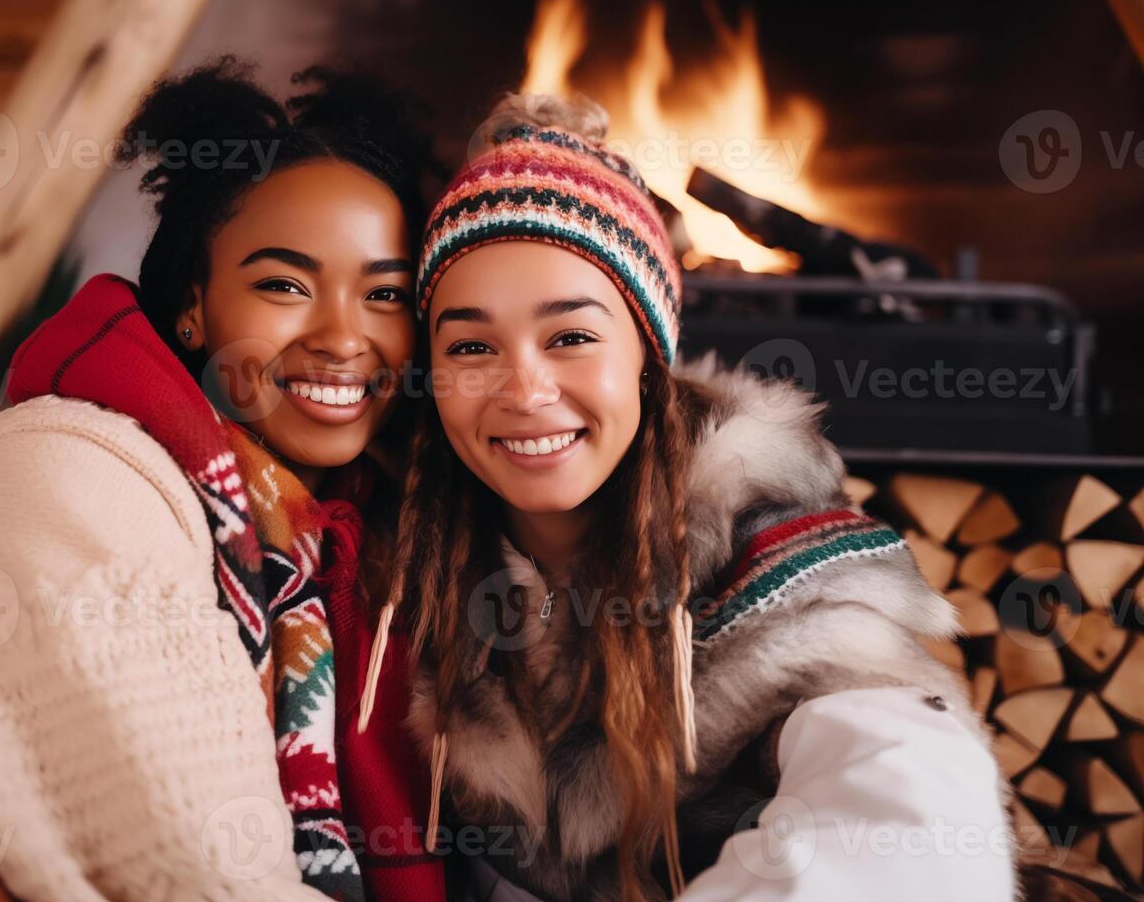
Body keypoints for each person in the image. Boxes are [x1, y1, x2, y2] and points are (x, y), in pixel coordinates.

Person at [378, 93, 1016, 901]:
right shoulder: (408, 558)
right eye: (470, 345)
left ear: (649, 357)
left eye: (571, 337)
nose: (523, 389)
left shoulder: (774, 561)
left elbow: (908, 809)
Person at [0, 57, 445, 902]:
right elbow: (191, 864)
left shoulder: (354, 525)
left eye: (385, 296)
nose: (344, 337)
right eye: (282, 285)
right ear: (194, 304)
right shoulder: (73, 467)